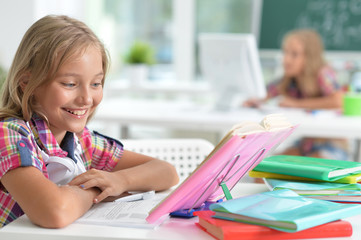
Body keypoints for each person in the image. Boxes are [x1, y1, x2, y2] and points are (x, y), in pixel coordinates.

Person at [0, 15, 179, 228]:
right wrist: (96, 188)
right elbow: (54, 212)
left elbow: (167, 171)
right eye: (69, 84)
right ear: (27, 82)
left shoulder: (81, 141)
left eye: (96, 83)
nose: (86, 98)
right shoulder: (9, 135)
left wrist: (118, 181)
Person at [244, 29, 348, 160]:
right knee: (263, 169)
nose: (286, 59)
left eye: (294, 54)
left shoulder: (323, 73)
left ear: (309, 57)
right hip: (305, 145)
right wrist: (256, 101)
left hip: (332, 145)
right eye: (285, 53)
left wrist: (296, 104)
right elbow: (265, 94)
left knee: (309, 170)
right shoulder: (289, 80)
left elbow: (339, 100)